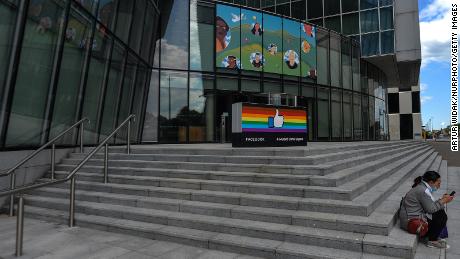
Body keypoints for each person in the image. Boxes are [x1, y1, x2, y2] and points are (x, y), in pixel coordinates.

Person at [399, 171, 454, 249]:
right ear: (431, 182)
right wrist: (443, 201)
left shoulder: (422, 187)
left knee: (439, 213)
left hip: (413, 216)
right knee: (440, 216)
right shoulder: (423, 190)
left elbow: (429, 205)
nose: (439, 186)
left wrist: (442, 200)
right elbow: (431, 209)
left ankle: (433, 236)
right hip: (411, 222)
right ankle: (432, 241)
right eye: (438, 183)